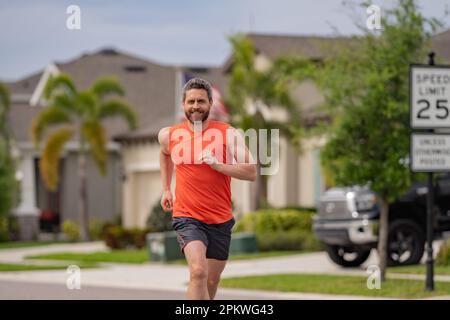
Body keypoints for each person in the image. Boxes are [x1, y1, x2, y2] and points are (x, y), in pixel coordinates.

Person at [158, 78, 256, 300]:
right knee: (198, 272)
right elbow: (164, 154)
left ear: (211, 103)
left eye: (201, 101)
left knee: (211, 281)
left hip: (220, 219)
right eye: (191, 101)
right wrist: (166, 188)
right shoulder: (169, 135)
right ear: (183, 104)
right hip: (187, 216)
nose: (195, 106)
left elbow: (251, 172)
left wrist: (218, 165)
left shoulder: (228, 134)